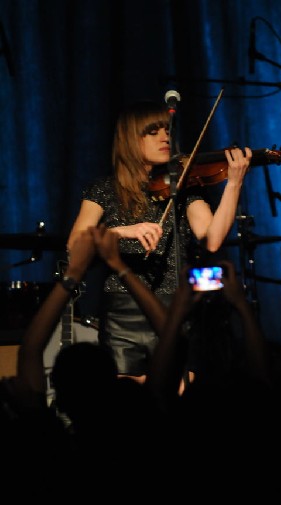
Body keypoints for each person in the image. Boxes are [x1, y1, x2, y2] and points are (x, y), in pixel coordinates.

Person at [67, 99, 252, 386]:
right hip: (122, 312)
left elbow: (212, 240)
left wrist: (234, 184)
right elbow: (75, 244)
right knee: (128, 404)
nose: (166, 137)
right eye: (153, 132)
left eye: (167, 130)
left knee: (178, 404)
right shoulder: (104, 189)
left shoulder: (183, 187)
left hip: (174, 308)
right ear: (130, 138)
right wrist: (121, 231)